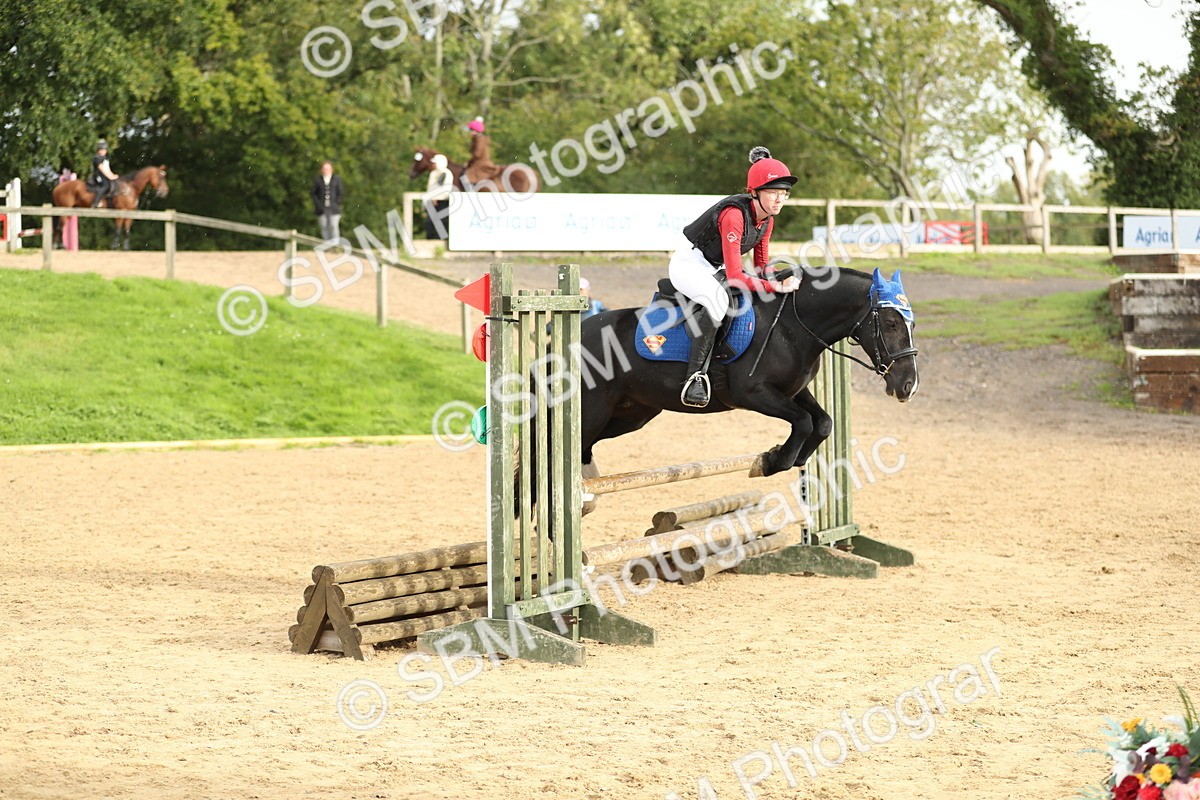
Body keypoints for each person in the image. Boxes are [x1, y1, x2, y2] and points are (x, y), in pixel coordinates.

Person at [670, 146, 801, 408]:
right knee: (719, 301)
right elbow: (735, 276)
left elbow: (762, 265)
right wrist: (775, 287)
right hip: (687, 264)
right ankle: (695, 377)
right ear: (755, 192)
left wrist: (788, 277)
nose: (779, 200)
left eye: (784, 194)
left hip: (711, 267)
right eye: (773, 193)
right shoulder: (734, 215)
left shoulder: (767, 220)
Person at [310, 160, 345, 241]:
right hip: (321, 208)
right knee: (324, 226)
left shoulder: (336, 179)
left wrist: (336, 204)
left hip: (334, 208)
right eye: (324, 168)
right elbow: (313, 193)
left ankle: (335, 245)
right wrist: (318, 205)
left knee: (333, 226)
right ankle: (327, 244)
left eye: (328, 168)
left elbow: (341, 193)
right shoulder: (318, 180)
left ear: (331, 169)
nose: (326, 170)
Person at [464, 116, 500, 187]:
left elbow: (477, 154)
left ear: (475, 130)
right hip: (480, 162)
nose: (470, 132)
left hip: (481, 164)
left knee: (467, 176)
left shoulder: (479, 139)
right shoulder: (479, 138)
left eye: (471, 130)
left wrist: (468, 162)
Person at [424, 153, 453, 239]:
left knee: (441, 222)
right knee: (430, 222)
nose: (433, 164)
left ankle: (440, 242)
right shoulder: (433, 174)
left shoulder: (446, 173)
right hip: (432, 202)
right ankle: (430, 240)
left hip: (442, 202)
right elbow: (430, 188)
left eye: (435, 163)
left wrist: (436, 197)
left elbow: (445, 189)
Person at [89, 140, 119, 208]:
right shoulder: (97, 158)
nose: (104, 151)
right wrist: (110, 176)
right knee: (105, 185)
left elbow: (107, 169)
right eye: (102, 149)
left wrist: (113, 175)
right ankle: (95, 202)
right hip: (97, 176)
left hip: (104, 176)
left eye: (105, 149)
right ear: (98, 150)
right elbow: (102, 169)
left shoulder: (105, 158)